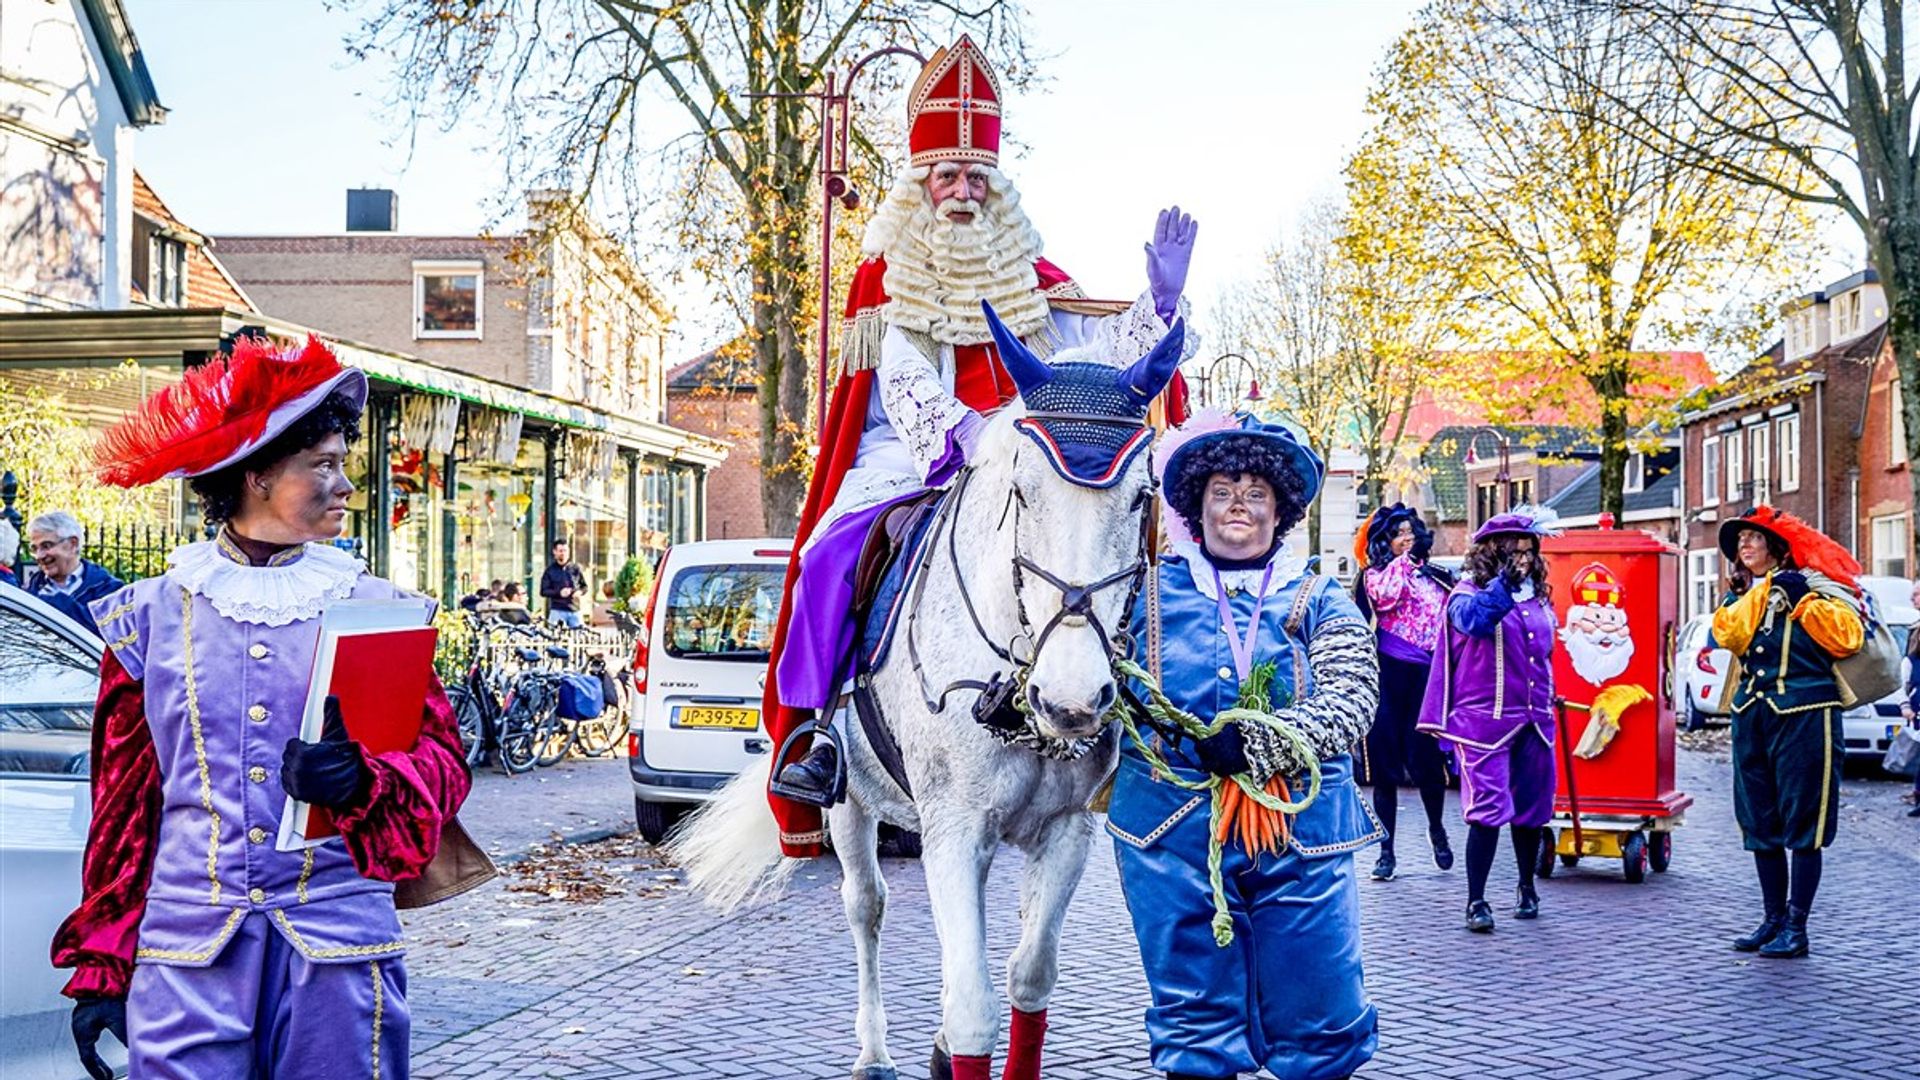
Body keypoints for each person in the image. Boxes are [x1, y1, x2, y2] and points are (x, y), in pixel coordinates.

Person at [762, 34, 1196, 847]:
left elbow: (1099, 359)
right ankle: (817, 733)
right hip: (908, 459)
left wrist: (1160, 306)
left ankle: (1127, 710)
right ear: (920, 181)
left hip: (1027, 455)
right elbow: (901, 375)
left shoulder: (1035, 275)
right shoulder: (884, 273)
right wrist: (964, 432)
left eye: (974, 176)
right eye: (946, 175)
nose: (961, 190)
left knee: (1106, 548)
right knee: (826, 556)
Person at [51, 335, 471, 1078]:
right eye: (326, 466)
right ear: (257, 474)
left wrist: (364, 780)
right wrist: (104, 964)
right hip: (186, 954)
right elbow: (123, 806)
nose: (346, 485)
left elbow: (443, 765)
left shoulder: (379, 611)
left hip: (336, 950)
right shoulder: (148, 617)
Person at [1110, 412, 1381, 1080]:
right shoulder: (1136, 596)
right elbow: (1092, 695)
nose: (1239, 505)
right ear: (1196, 505)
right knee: (1193, 1020)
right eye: (1224, 490)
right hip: (1168, 836)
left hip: (1301, 832)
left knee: (1320, 1009)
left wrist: (1262, 742)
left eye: (1256, 493)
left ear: (1280, 510)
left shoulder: (1317, 597)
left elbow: (1353, 696)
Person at [1711, 506, 1864, 958]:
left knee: (1804, 823)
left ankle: (1797, 926)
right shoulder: (1742, 598)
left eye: (1752, 538)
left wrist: (1801, 600)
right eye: (1740, 543)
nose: (1743, 547)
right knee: (1761, 821)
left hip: (1804, 713)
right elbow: (1728, 635)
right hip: (1752, 715)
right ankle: (1772, 918)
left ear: (1777, 546)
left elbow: (1847, 637)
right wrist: (1741, 596)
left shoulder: (1814, 585)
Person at [1417, 506, 1560, 933]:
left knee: (1533, 809)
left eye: (1529, 551)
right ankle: (1476, 900)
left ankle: (1526, 887)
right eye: (1514, 552)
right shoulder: (1464, 594)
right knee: (1488, 810)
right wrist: (1503, 586)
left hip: (1535, 719)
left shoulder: (1537, 598)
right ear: (1492, 554)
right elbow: (1476, 623)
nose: (1524, 559)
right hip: (1484, 724)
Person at [1351, 503, 1456, 881]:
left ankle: (1437, 828)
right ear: (1386, 540)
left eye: (1410, 531)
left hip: (1426, 679)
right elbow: (1360, 620)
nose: (1406, 538)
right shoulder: (1373, 578)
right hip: (1387, 676)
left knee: (1426, 762)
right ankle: (1386, 850)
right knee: (1385, 766)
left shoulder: (1438, 577)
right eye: (1398, 533)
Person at [24, 511, 125, 637]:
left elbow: (113, 640)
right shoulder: (29, 591)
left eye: (46, 546)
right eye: (34, 549)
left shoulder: (109, 591)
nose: (39, 556)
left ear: (73, 544)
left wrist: (60, 604)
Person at [540, 539, 588, 628]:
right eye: (560, 551)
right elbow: (543, 591)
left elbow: (584, 587)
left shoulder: (575, 568)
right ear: (555, 552)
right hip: (557, 610)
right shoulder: (550, 570)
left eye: (565, 551)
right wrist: (559, 593)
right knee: (555, 637)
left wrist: (580, 592)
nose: (563, 553)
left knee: (579, 637)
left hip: (575, 611)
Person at [1904, 581, 1920, 817]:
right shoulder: (1914, 630)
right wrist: (1905, 703)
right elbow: (1906, 665)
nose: (1913, 598)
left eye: (1917, 594)